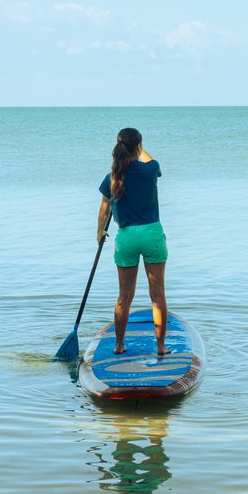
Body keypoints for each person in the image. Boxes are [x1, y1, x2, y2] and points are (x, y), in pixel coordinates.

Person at [97, 127, 168, 356]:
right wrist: (139, 148)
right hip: (151, 235)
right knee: (157, 295)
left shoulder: (112, 177)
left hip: (126, 237)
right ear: (138, 146)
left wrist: (100, 232)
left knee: (124, 296)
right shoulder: (150, 170)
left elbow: (104, 208)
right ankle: (160, 347)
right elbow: (150, 159)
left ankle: (119, 345)